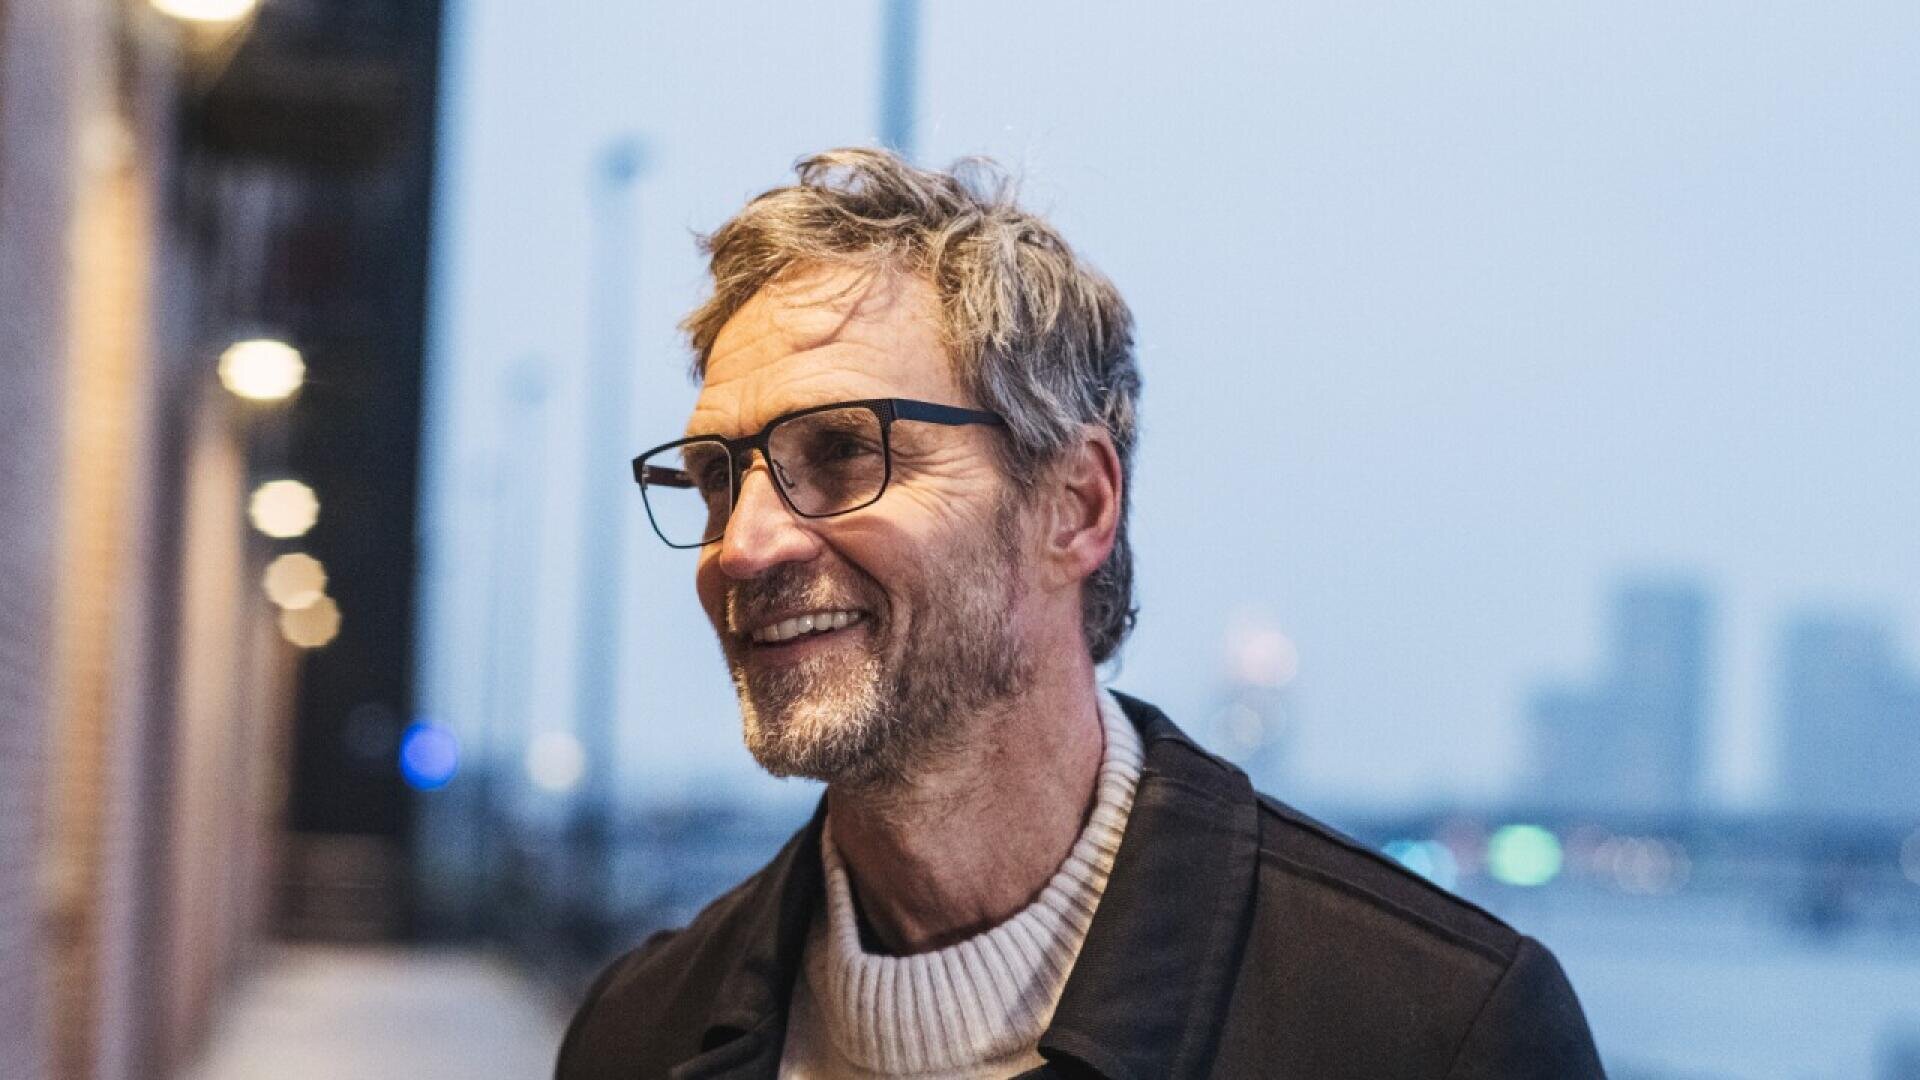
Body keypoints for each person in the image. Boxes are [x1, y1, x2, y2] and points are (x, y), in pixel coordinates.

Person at [555, 147, 1605, 1079]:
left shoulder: (1437, 1033)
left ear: (1076, 505)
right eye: (714, 476)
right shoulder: (637, 1037)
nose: (742, 543)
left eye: (841, 452)